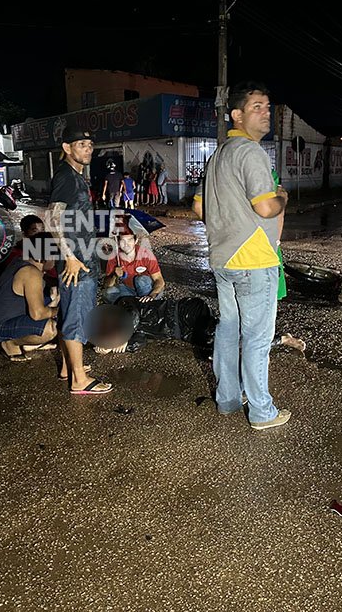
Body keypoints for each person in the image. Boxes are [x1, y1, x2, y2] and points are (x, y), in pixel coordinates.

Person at [192, 81, 290, 430]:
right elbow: (266, 206)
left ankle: (229, 400)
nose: (266, 112)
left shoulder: (217, 156)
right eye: (257, 107)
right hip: (253, 260)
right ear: (236, 114)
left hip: (223, 258)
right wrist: (282, 197)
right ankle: (262, 412)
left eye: (267, 106)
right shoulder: (251, 153)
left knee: (228, 330)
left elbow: (198, 207)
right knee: (257, 338)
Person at [45, 126, 112, 395]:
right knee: (76, 318)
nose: (88, 149)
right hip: (77, 265)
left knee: (69, 314)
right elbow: (51, 218)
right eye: (82, 144)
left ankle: (68, 368)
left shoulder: (76, 177)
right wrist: (70, 257)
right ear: (66, 148)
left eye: (90, 145)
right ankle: (79, 381)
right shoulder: (66, 177)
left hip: (81, 261)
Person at [88, 296, 306, 356]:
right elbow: (137, 344)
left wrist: (120, 339)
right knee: (218, 346)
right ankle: (279, 339)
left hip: (185, 311)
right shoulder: (135, 334)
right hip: (186, 333)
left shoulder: (125, 305)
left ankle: (276, 337)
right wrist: (117, 346)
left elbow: (132, 313)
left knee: (220, 335)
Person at [0, 232, 59, 361]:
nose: (56, 259)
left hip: (4, 317)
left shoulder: (22, 261)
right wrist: (60, 311)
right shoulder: (31, 273)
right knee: (52, 327)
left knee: (52, 297)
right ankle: (10, 343)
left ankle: (27, 343)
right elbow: (37, 314)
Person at [102, 228, 165, 303]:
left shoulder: (146, 254)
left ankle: (147, 304)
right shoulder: (115, 257)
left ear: (136, 241)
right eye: (123, 240)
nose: (126, 244)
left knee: (140, 280)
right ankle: (134, 303)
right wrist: (114, 275)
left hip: (149, 290)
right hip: (129, 290)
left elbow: (159, 280)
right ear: (118, 242)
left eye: (130, 240)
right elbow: (106, 285)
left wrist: (152, 294)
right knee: (108, 293)